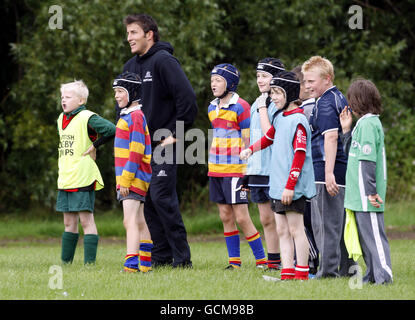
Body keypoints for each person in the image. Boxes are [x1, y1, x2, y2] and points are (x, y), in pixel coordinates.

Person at [118, 14, 198, 268]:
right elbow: (123, 107)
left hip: (165, 142)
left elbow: (188, 101)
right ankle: (160, 255)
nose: (128, 38)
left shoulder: (164, 61)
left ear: (149, 34)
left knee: (162, 196)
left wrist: (176, 133)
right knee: (147, 200)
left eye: (133, 33)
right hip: (139, 147)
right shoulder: (130, 66)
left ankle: (182, 258)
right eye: (128, 33)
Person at [240, 71, 316, 280]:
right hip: (277, 185)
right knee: (282, 230)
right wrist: (251, 149)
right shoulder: (280, 117)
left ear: (289, 93)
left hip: (292, 187)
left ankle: (302, 273)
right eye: (271, 92)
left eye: (276, 92)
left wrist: (291, 186)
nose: (272, 97)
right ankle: (287, 273)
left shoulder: (298, 120)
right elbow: (268, 138)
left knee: (296, 230)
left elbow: (300, 155)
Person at [208, 63, 267, 269]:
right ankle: (235, 263)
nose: (213, 84)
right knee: (225, 215)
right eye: (212, 80)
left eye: (218, 80)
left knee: (241, 217)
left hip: (236, 170)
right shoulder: (211, 107)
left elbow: (248, 140)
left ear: (230, 83)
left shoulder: (241, 106)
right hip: (215, 169)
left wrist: (248, 171)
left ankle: (262, 260)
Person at [301, 56, 355, 278]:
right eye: (305, 81)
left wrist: (329, 173)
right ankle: (346, 270)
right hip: (334, 170)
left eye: (311, 81)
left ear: (327, 78)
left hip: (327, 171)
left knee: (326, 225)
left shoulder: (324, 103)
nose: (307, 86)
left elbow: (331, 138)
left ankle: (327, 273)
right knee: (338, 225)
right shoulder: (336, 97)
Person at [339, 78, 392, 284]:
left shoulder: (369, 124)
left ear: (357, 101)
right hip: (358, 195)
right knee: (365, 239)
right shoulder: (361, 125)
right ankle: (372, 274)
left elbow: (368, 160)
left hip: (366, 194)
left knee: (375, 238)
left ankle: (384, 275)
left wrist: (370, 191)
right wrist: (346, 130)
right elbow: (351, 151)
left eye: (350, 99)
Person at [57, 80, 115, 265]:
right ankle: (66, 263)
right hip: (66, 177)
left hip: (82, 176)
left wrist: (94, 146)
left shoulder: (87, 116)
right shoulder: (61, 119)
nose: (63, 100)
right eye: (62, 97)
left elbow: (111, 129)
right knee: (68, 223)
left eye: (68, 97)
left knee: (86, 221)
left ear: (81, 100)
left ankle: (89, 265)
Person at [241, 58, 285, 271]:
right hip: (258, 169)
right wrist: (247, 171)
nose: (260, 80)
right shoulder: (255, 103)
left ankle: (290, 260)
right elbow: (251, 138)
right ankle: (273, 260)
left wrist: (263, 108)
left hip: (275, 169)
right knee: (266, 219)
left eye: (265, 76)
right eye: (258, 76)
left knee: (281, 219)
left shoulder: (278, 104)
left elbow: (271, 134)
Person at [113, 72, 153, 273]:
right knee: (139, 220)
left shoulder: (135, 116)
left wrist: (126, 180)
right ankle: (145, 264)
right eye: (116, 92)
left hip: (134, 178)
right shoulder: (130, 115)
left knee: (129, 221)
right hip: (130, 178)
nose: (117, 96)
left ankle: (131, 266)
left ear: (132, 92)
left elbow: (136, 152)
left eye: (120, 91)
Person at [291, 66, 319, 275]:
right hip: (306, 175)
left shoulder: (307, 110)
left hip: (307, 175)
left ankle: (309, 262)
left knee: (305, 220)